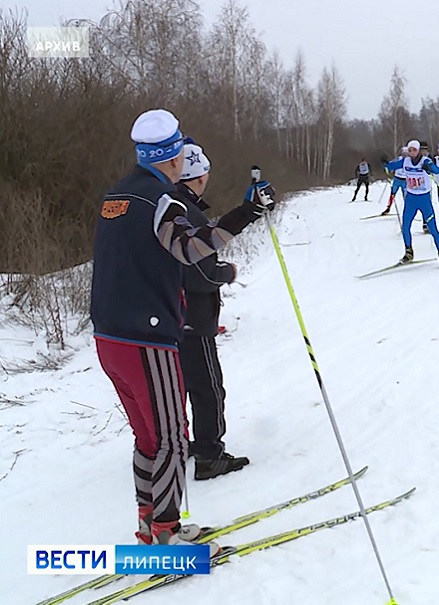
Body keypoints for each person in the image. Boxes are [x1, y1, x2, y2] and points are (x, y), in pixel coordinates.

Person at [90, 109, 273, 552]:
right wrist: (245, 213)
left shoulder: (117, 196)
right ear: (173, 159)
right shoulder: (161, 200)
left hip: (108, 336)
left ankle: (150, 527)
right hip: (145, 338)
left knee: (149, 438)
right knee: (172, 438)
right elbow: (191, 249)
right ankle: (167, 537)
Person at [173, 140, 250, 481]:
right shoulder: (188, 212)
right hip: (192, 316)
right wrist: (226, 273)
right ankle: (209, 453)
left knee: (182, 385)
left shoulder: (170, 205)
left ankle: (182, 444)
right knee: (207, 386)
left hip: (169, 315)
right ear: (199, 177)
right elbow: (200, 272)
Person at [382, 139, 439, 269]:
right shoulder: (406, 161)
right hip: (411, 199)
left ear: (418, 150)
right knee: (405, 226)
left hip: (424, 199)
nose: (412, 152)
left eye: (414, 150)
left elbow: (436, 171)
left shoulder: (425, 160)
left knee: (433, 228)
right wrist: (384, 162)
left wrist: (429, 168)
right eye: (410, 150)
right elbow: (391, 166)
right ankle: (408, 252)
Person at [382, 146, 408, 216]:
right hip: (397, 179)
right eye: (404, 153)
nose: (405, 155)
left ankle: (407, 211)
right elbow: (390, 165)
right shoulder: (398, 159)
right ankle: (388, 208)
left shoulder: (409, 161)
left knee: (406, 196)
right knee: (392, 194)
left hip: (405, 181)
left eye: (406, 153)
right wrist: (385, 163)